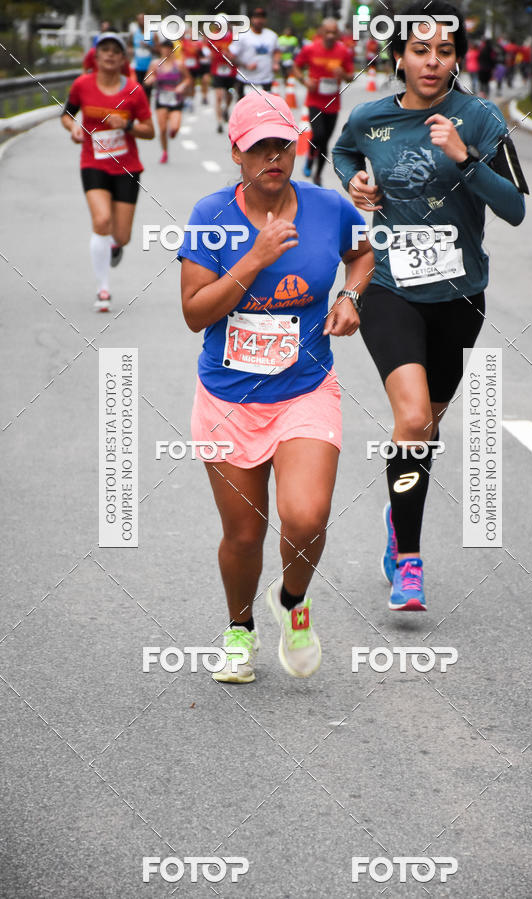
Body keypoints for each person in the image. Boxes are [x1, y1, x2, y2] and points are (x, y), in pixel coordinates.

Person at [332, 0, 528, 612]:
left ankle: (398, 516)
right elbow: (343, 151)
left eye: (444, 51)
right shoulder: (371, 119)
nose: (432, 62)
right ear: (399, 56)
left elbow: (516, 207)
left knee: (426, 427)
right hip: (389, 288)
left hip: (461, 296)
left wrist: (466, 160)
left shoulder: (480, 118)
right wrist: (355, 182)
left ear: (456, 58)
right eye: (421, 50)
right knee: (414, 419)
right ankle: (409, 562)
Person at [178, 91, 373, 683]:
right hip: (228, 398)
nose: (272, 156)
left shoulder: (326, 207)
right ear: (236, 151)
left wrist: (349, 295)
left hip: (305, 389)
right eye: (259, 145)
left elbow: (362, 253)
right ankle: (239, 631)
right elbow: (194, 313)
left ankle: (292, 602)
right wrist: (254, 259)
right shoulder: (211, 216)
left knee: (306, 515)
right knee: (243, 533)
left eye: (283, 145)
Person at [61, 32, 154, 311]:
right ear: (96, 56)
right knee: (101, 220)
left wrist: (126, 126)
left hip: (127, 168)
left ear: (123, 58)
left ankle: (114, 246)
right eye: (105, 50)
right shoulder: (82, 85)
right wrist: (74, 127)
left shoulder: (134, 92)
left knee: (122, 235)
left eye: (116, 50)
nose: (110, 55)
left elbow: (150, 131)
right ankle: (103, 289)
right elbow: (67, 114)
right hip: (93, 162)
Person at [293, 19, 354, 186]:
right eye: (327, 32)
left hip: (333, 103)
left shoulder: (343, 51)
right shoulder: (310, 49)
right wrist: (305, 81)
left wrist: (343, 73)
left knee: (325, 140)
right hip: (314, 101)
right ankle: (310, 158)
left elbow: (351, 76)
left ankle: (318, 174)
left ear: (338, 34)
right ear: (321, 32)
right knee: (318, 135)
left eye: (333, 32)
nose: (330, 36)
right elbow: (296, 66)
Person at [144, 39, 192, 163]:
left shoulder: (179, 64)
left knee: (174, 128)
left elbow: (188, 79)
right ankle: (165, 151)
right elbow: (147, 79)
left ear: (172, 51)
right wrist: (150, 80)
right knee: (163, 128)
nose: (165, 51)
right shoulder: (155, 64)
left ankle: (172, 133)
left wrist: (182, 86)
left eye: (168, 49)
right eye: (163, 48)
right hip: (161, 99)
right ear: (160, 50)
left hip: (176, 99)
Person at [230, 7, 280, 99]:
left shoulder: (272, 36)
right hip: (246, 79)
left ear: (265, 20)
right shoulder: (242, 36)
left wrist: (276, 63)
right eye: (256, 17)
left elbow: (276, 51)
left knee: (264, 109)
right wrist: (246, 65)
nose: (259, 20)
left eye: (262, 17)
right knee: (245, 109)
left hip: (266, 79)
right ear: (252, 19)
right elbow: (231, 56)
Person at [207, 19, 237, 133]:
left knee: (229, 93)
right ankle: (219, 122)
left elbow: (236, 52)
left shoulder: (233, 37)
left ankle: (226, 109)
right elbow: (207, 50)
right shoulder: (212, 36)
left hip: (230, 70)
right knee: (218, 96)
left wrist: (230, 55)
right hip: (217, 70)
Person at [129, 13, 155, 98]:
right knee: (137, 91)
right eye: (139, 19)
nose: (141, 22)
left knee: (147, 91)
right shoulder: (134, 34)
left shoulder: (152, 35)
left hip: (149, 68)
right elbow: (128, 47)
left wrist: (148, 46)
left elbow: (159, 50)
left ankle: (147, 109)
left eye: (143, 19)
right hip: (137, 67)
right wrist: (131, 51)